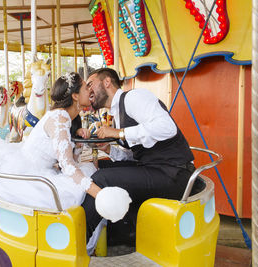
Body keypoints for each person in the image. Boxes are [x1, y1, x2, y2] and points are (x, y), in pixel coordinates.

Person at [0, 72, 131, 250]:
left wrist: (77, 140)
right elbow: (67, 166)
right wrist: (100, 194)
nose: (90, 91)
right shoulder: (60, 117)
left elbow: (69, 158)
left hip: (43, 170)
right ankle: (77, 243)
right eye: (86, 88)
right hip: (34, 175)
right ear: (75, 96)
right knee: (89, 177)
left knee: (89, 170)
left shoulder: (67, 118)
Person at [82, 68, 195, 245]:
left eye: (90, 84)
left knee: (101, 179)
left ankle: (77, 241)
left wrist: (120, 133)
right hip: (153, 168)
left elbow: (167, 127)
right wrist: (108, 149)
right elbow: (137, 154)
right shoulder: (117, 113)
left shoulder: (134, 98)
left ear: (107, 82)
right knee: (95, 169)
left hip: (174, 174)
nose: (88, 90)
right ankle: (119, 233)